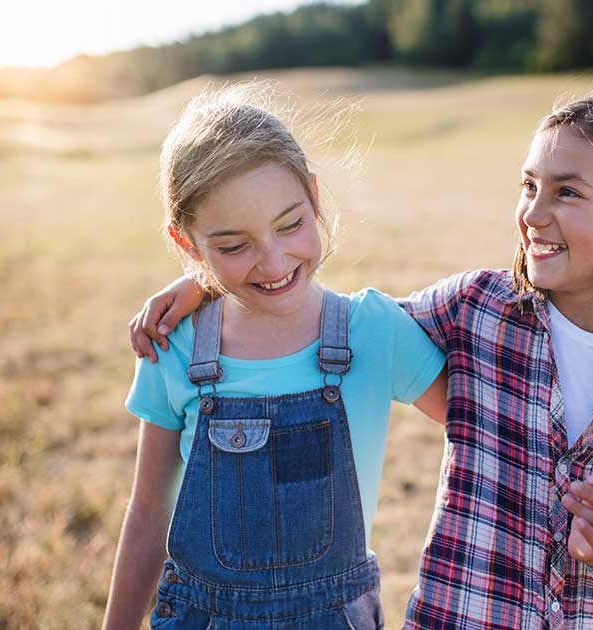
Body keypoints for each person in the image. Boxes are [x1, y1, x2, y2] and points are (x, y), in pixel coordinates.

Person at [128, 79, 593, 629]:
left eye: (566, 192)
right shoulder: (480, 311)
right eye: (529, 186)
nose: (533, 212)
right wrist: (212, 281)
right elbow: (330, 324)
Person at [103, 85, 448, 630]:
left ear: (314, 195)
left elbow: (483, 427)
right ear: (188, 244)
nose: (273, 261)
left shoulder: (374, 333)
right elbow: (147, 512)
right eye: (234, 246)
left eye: (290, 225)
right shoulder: (172, 346)